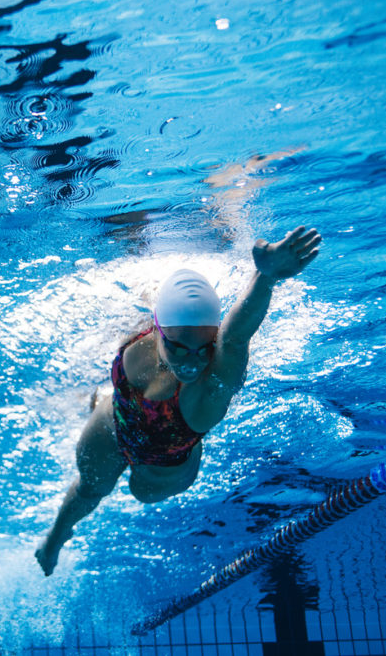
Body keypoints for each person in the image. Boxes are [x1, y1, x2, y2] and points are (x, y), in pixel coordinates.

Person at [35, 226, 322, 576]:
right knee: (90, 487)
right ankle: (53, 541)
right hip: (115, 424)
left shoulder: (213, 383)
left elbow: (235, 338)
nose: (192, 362)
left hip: (164, 464)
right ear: (157, 327)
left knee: (141, 491)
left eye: (205, 348)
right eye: (178, 347)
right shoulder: (142, 333)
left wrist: (265, 278)